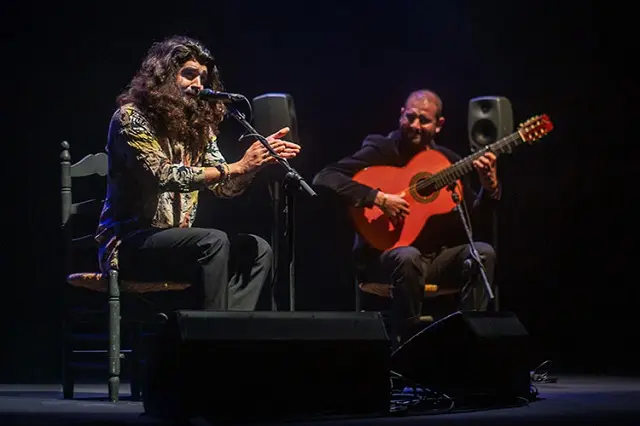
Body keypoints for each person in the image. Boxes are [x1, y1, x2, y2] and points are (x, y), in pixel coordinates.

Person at [95, 35, 301, 311]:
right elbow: (163, 175)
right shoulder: (131, 117)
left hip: (179, 247)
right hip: (129, 246)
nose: (198, 85)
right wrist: (237, 166)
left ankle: (224, 328)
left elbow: (224, 188)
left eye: (203, 78)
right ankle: (210, 333)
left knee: (256, 249)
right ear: (163, 77)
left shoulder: (198, 128)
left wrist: (253, 164)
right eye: (189, 74)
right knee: (212, 241)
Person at [312, 89, 500, 344]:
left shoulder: (448, 162)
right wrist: (378, 198)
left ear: (439, 125)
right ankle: (409, 346)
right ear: (401, 114)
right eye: (410, 117)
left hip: (435, 260)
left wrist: (489, 189)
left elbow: (473, 223)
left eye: (424, 120)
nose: (415, 125)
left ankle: (467, 343)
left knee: (483, 252)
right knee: (407, 257)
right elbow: (325, 177)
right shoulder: (382, 149)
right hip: (384, 258)